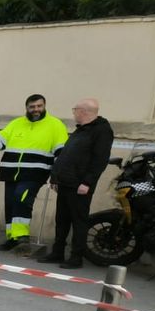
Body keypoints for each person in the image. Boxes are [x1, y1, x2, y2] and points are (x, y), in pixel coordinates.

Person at [0, 94, 69, 251]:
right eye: (32, 107)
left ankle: (22, 236)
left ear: (44, 106)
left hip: (35, 174)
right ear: (26, 108)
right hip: (11, 172)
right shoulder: (16, 123)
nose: (36, 110)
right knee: (11, 204)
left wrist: (57, 175)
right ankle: (12, 238)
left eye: (39, 106)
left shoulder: (56, 125)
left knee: (21, 199)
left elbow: (61, 152)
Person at [45, 98, 115, 269]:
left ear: (83, 111)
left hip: (80, 185)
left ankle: (76, 258)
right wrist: (55, 177)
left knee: (78, 221)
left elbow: (100, 160)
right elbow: (65, 156)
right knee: (61, 220)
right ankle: (57, 252)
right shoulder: (81, 130)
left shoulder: (101, 131)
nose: (73, 112)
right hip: (66, 182)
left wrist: (87, 183)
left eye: (75, 109)